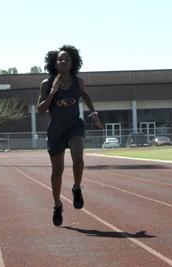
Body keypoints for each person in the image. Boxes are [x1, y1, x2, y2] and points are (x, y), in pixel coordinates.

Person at [37, 45, 103, 226]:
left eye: (67, 59)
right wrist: (53, 91)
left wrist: (93, 113)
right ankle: (57, 205)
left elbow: (85, 95)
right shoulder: (47, 83)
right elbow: (41, 110)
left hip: (75, 127)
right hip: (56, 131)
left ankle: (76, 188)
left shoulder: (78, 81)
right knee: (57, 171)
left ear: (73, 63)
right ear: (54, 63)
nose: (63, 61)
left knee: (78, 157)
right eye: (60, 59)